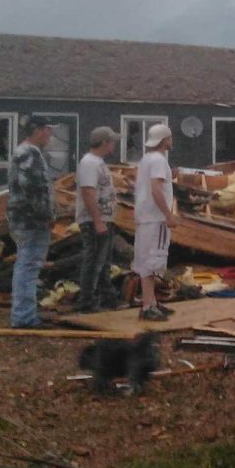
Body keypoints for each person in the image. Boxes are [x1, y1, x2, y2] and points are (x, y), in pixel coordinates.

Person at [7, 116, 56, 328]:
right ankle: (24, 317)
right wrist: (47, 215)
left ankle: (26, 313)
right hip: (31, 221)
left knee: (27, 265)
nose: (50, 134)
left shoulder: (24, 152)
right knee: (28, 266)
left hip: (25, 219)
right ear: (37, 130)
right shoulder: (29, 154)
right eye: (47, 130)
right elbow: (34, 190)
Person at [132, 124, 178, 321]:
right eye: (169, 137)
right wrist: (168, 214)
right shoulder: (159, 160)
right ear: (164, 140)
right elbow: (156, 189)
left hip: (144, 218)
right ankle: (148, 306)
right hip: (156, 218)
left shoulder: (146, 159)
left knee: (144, 261)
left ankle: (150, 302)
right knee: (152, 262)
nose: (171, 140)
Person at [74, 126, 121, 313]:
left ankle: (107, 298)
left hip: (104, 219)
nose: (114, 144)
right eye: (112, 141)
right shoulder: (89, 163)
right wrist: (97, 220)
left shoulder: (98, 162)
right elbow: (88, 192)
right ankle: (86, 301)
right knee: (93, 261)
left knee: (104, 262)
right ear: (104, 142)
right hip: (94, 221)